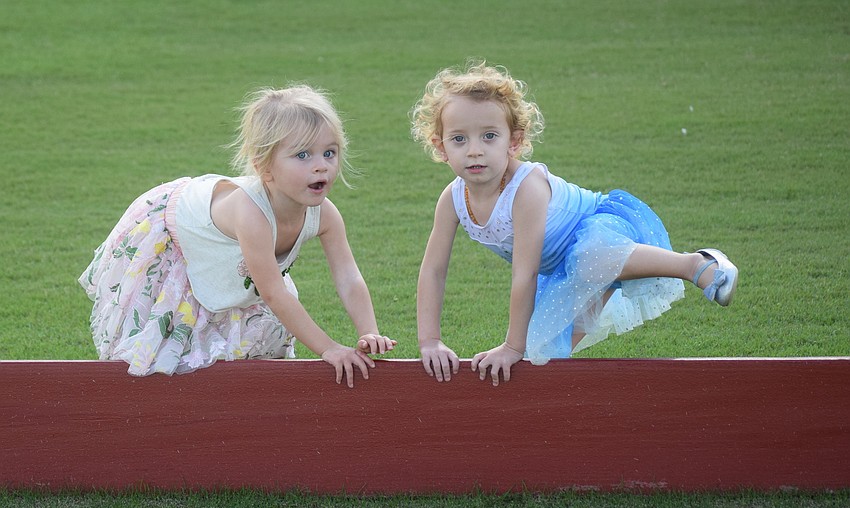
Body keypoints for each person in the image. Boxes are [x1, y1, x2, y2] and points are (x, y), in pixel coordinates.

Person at [411, 61, 738, 386]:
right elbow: (433, 270)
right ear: (440, 148)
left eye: (489, 136)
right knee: (540, 354)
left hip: (603, 230)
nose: (474, 151)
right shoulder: (452, 199)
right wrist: (430, 340)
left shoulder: (526, 189)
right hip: (563, 266)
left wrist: (511, 345)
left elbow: (524, 273)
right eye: (459, 139)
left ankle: (696, 264)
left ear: (514, 142)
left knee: (576, 274)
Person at [80, 85, 395, 386]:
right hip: (178, 233)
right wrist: (329, 348)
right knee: (174, 341)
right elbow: (273, 292)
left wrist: (369, 331)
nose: (320, 167)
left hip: (230, 250)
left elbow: (348, 277)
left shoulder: (325, 214)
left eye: (329, 152)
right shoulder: (252, 214)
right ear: (264, 167)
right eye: (303, 155)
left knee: (256, 328)